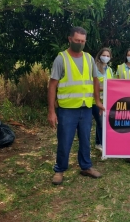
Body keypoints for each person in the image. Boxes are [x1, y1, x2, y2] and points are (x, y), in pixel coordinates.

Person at [48, 26, 104, 185]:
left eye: (83, 41)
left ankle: (86, 166)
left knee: (85, 139)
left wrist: (98, 101)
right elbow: (52, 85)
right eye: (77, 40)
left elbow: (95, 80)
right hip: (67, 110)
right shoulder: (61, 59)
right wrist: (51, 111)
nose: (80, 43)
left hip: (86, 108)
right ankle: (59, 170)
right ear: (70, 39)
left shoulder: (89, 58)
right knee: (64, 140)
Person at [92, 48, 114, 153]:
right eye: (104, 55)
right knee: (101, 122)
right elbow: (92, 84)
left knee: (101, 121)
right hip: (95, 100)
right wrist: (104, 87)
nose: (105, 57)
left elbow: (112, 84)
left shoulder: (109, 70)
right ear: (100, 55)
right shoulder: (94, 68)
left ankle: (98, 142)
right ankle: (103, 145)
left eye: (108, 56)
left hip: (106, 100)